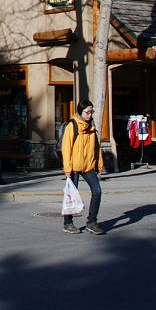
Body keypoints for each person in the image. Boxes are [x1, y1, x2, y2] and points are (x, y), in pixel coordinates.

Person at [61, 100, 105, 235]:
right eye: (87, 112)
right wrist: (67, 169)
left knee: (97, 191)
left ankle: (92, 222)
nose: (90, 115)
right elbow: (66, 148)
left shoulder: (91, 126)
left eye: (91, 112)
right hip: (74, 167)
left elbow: (97, 148)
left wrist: (99, 165)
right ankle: (68, 223)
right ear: (80, 111)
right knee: (71, 196)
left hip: (88, 166)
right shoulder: (72, 126)